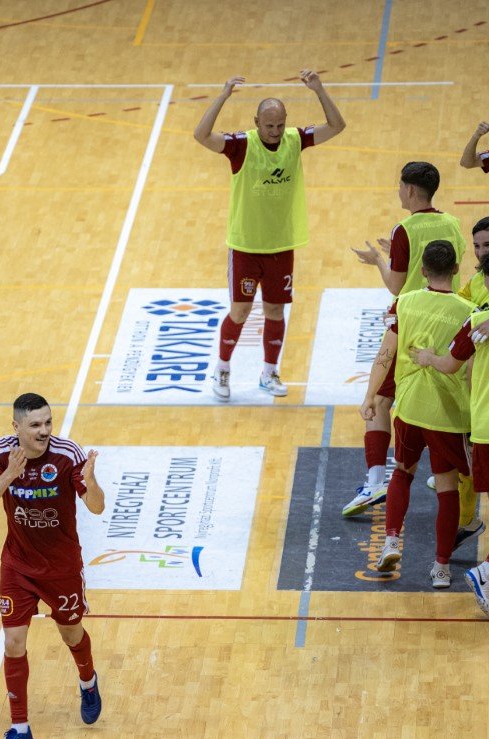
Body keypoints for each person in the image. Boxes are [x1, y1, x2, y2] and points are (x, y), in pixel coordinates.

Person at [194, 70, 346, 400]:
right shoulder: (240, 146)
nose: (275, 132)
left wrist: (319, 90)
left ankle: (269, 372)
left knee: (275, 312)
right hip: (246, 246)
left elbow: (336, 126)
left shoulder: (295, 139)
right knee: (240, 312)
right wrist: (222, 95)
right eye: (269, 126)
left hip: (281, 245)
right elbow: (201, 134)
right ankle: (221, 368)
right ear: (257, 122)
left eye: (279, 125)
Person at [0, 393, 105, 739]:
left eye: (48, 422)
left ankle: (88, 681)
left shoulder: (67, 455)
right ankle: (20, 729)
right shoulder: (0, 453)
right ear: (15, 427)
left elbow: (96, 507)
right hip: (17, 565)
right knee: (13, 642)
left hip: (61, 567)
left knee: (71, 633)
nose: (44, 431)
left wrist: (92, 483)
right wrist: (9, 475)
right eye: (35, 425)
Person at [345, 161, 465, 517]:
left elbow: (396, 285)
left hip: (410, 324)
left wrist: (378, 260)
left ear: (411, 190)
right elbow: (445, 264)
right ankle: (456, 476)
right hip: (447, 322)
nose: (398, 191)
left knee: (379, 402)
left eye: (400, 186)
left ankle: (376, 481)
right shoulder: (452, 224)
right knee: (447, 407)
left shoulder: (404, 229)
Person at [359, 241, 473, 588]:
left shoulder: (404, 303)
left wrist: (370, 397)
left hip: (409, 407)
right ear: (456, 270)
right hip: (447, 414)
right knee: (447, 489)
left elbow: (385, 355)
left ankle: (391, 541)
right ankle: (441, 568)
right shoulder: (469, 311)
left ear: (422, 270)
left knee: (402, 474)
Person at [413, 251, 489, 616]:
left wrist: (427, 359)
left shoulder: (476, 321)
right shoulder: (483, 320)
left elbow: (449, 365)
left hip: (485, 429)